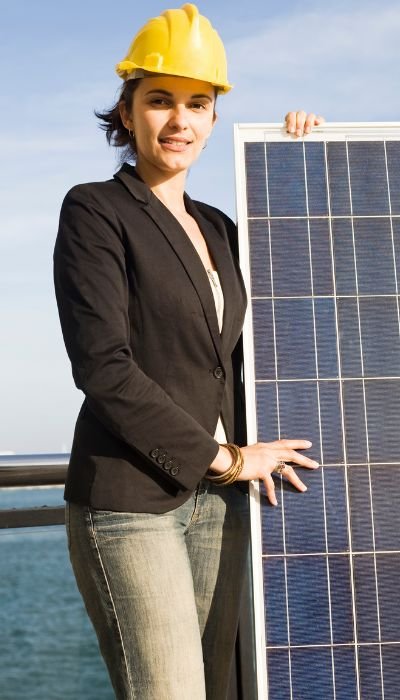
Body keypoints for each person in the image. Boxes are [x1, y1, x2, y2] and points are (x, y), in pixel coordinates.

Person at [53, 4, 323, 699]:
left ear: (213, 117)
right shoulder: (95, 211)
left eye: (197, 104)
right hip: (130, 503)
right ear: (127, 111)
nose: (179, 120)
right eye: (160, 100)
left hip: (219, 505)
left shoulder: (221, 227)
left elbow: (301, 297)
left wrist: (301, 159)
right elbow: (103, 368)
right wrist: (225, 457)